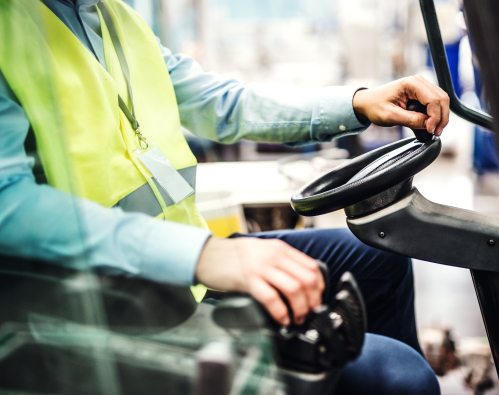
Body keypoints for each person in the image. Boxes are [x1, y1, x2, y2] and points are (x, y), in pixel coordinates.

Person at [0, 1, 449, 394]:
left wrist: (358, 103)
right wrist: (202, 255)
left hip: (183, 267)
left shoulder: (111, 18)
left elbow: (222, 104)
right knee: (401, 377)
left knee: (381, 254)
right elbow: (9, 206)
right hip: (102, 301)